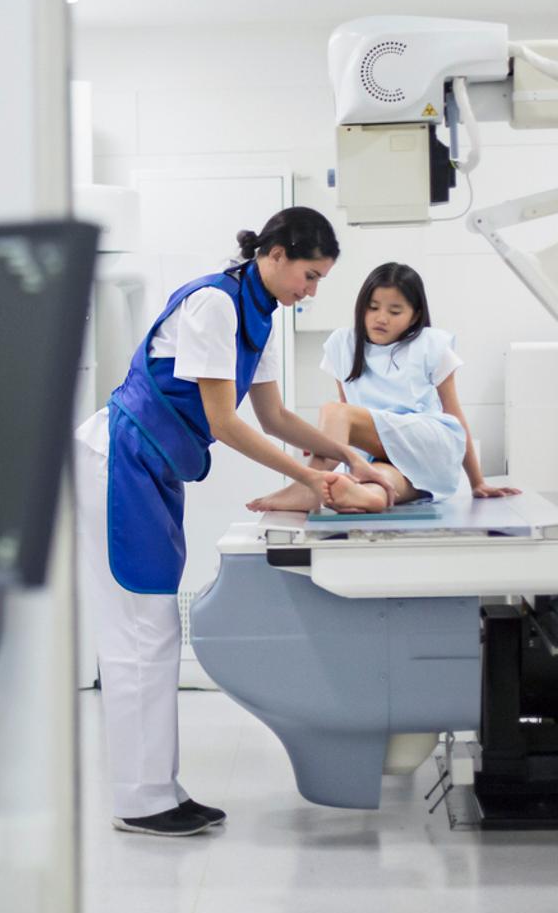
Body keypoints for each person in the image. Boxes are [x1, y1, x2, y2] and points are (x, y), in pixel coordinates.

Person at [73, 207, 396, 837]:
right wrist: (310, 479)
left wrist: (353, 456)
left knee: (153, 627)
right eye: (309, 274)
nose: (312, 290)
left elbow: (274, 418)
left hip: (154, 467)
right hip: (120, 459)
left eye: (321, 279)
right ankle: (141, 799)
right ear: (274, 254)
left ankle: (156, 789)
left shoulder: (260, 317)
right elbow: (225, 423)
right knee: (141, 628)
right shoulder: (215, 305)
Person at [247, 261, 518, 514]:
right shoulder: (343, 345)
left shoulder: (431, 344)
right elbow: (348, 431)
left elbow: (454, 416)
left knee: (337, 411)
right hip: (382, 457)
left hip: (428, 444)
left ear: (415, 316)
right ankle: (364, 496)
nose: (381, 318)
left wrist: (477, 482)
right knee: (378, 486)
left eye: (395, 311)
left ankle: (309, 488)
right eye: (373, 307)